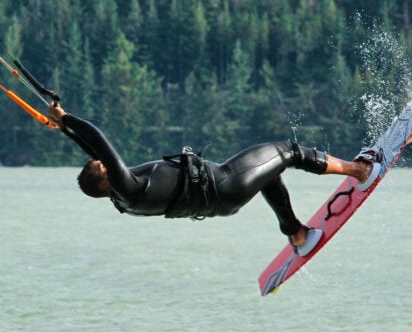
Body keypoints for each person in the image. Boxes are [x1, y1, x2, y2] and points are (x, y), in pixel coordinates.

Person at [47, 102, 380, 256]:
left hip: (220, 202)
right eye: (104, 168)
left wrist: (65, 129)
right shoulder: (126, 184)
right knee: (289, 152)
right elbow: (100, 140)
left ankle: (296, 233)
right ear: (105, 182)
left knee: (270, 174)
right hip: (225, 183)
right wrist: (69, 117)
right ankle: (359, 170)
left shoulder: (124, 201)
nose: (106, 164)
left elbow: (91, 147)